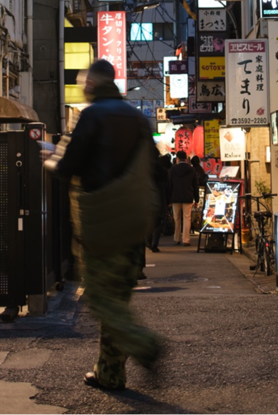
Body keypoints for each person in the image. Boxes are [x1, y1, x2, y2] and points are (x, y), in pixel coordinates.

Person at [45, 59, 163, 391]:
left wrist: (50, 157)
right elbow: (154, 171)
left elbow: (68, 164)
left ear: (92, 84)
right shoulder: (138, 119)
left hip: (100, 223)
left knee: (100, 299)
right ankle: (110, 373)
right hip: (134, 222)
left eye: (84, 83)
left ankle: (145, 345)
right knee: (118, 299)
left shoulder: (91, 116)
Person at [168, 150, 198, 246]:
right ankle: (186, 239)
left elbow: (169, 185)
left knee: (176, 218)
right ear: (186, 159)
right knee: (187, 218)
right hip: (188, 196)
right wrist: (196, 199)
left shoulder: (172, 169)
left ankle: (177, 238)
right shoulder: (192, 170)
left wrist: (168, 199)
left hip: (175, 197)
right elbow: (195, 185)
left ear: (177, 158)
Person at [148, 150, 171, 252]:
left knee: (149, 221)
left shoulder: (147, 169)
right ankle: (154, 244)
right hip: (161, 198)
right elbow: (167, 188)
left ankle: (148, 242)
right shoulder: (164, 171)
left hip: (149, 198)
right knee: (158, 223)